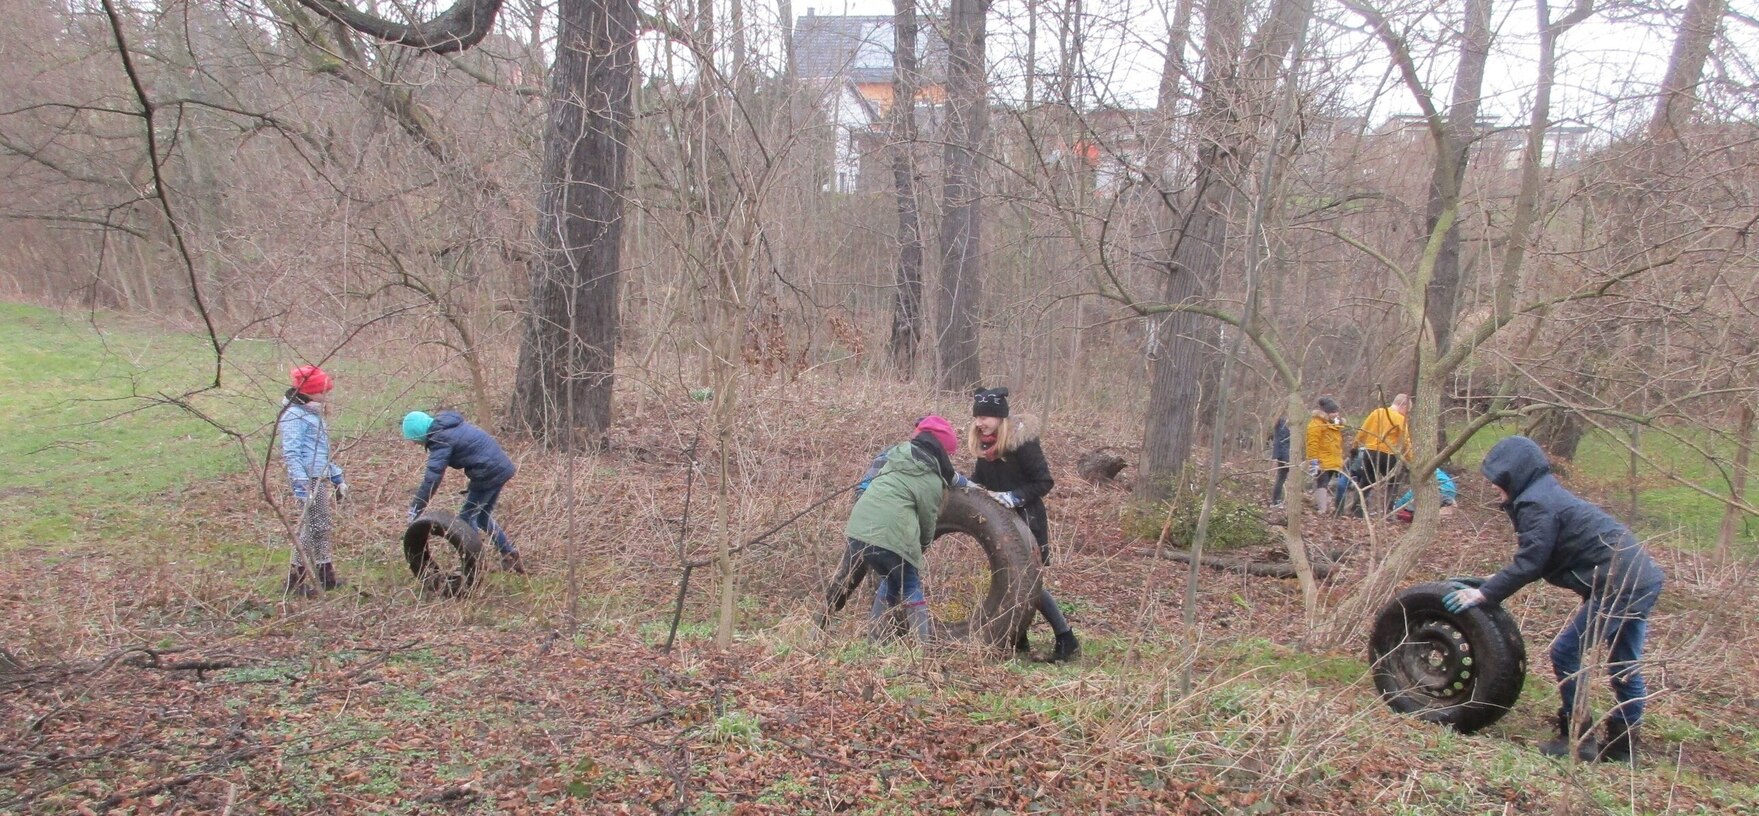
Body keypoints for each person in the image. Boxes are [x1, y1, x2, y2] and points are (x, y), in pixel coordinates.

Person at [1444, 436, 1664, 765]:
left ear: (1514, 474)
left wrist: (1485, 593)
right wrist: (1490, 585)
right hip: (1638, 576)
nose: (1492, 486)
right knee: (1624, 665)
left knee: (1566, 652)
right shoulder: (1542, 494)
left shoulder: (1536, 503)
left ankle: (1578, 739)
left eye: (1497, 478)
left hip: (1620, 583)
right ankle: (1623, 746)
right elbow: (1539, 558)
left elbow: (1531, 563)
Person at [968, 387, 1080, 663]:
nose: (981, 422)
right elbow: (980, 480)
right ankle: (1018, 640)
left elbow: (1044, 482)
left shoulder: (1023, 443)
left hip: (1028, 520)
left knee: (1030, 584)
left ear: (1000, 418)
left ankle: (1066, 638)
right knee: (1008, 582)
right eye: (978, 416)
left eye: (986, 417)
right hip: (1000, 525)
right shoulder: (985, 445)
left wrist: (1013, 496)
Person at [843, 415, 964, 643]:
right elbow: (929, 520)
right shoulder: (931, 480)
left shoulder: (894, 458)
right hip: (889, 537)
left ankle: (874, 641)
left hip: (858, 530)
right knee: (910, 585)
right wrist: (923, 545)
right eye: (948, 454)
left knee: (888, 580)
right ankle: (922, 649)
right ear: (940, 453)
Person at [402, 410, 526, 574]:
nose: (415, 444)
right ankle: (509, 554)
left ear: (418, 434)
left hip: (488, 474)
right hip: (501, 468)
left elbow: (432, 479)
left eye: (414, 440)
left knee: (466, 519)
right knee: (482, 517)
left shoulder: (440, 440)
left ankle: (476, 564)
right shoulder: (447, 427)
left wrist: (416, 508)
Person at [279, 365, 347, 596]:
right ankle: (295, 580)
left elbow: (319, 452)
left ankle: (325, 575)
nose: (327, 394)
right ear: (310, 392)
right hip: (308, 481)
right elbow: (292, 454)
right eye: (323, 390)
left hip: (320, 477)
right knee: (311, 527)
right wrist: (301, 485)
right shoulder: (294, 416)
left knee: (322, 526)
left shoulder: (313, 414)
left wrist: (336, 476)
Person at [1356, 393, 1412, 514]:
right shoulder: (1400, 419)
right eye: (1407, 411)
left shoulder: (1377, 412)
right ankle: (1388, 511)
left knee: (1366, 480)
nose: (1406, 414)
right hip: (1388, 454)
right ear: (1403, 406)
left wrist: (1355, 445)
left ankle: (1358, 510)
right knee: (1394, 481)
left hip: (1369, 451)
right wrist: (1410, 460)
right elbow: (1406, 441)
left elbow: (1363, 430)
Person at [1305, 396, 1347, 514]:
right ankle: (1322, 509)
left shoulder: (1334, 424)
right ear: (1326, 412)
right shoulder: (1316, 425)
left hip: (1334, 461)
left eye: (1336, 412)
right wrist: (1313, 461)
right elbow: (1312, 444)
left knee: (1328, 484)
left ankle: (1331, 508)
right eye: (1333, 412)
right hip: (1322, 461)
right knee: (1321, 483)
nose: (1336, 414)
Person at [1390, 468, 1458, 522]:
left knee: (1412, 507)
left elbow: (1413, 492)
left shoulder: (1424, 474)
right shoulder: (1438, 471)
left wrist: (1397, 506)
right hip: (1451, 492)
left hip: (1439, 490)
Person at [1268, 416, 1291, 509]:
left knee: (1281, 478)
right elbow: (1283, 443)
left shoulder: (1281, 423)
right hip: (1284, 455)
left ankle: (1276, 500)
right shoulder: (1283, 424)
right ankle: (1276, 501)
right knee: (1281, 478)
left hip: (1282, 455)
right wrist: (1287, 459)